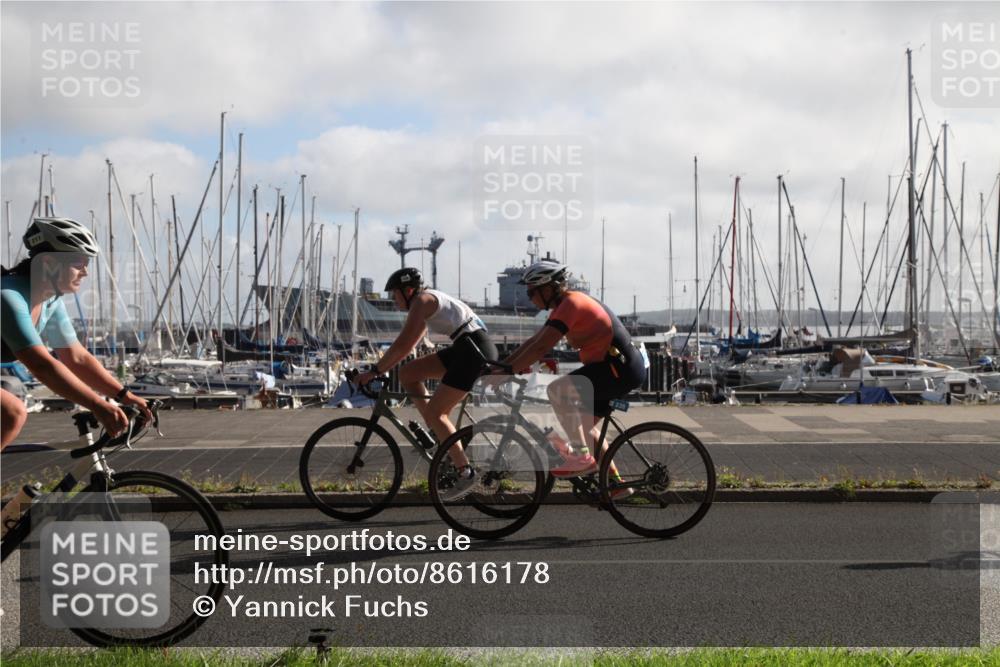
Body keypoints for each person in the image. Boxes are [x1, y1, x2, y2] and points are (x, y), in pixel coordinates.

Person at [1, 217, 152, 451]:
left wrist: (124, 395)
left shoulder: (50, 301)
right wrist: (97, 405)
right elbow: (42, 365)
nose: (85, 272)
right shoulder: (9, 298)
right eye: (79, 262)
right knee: (12, 412)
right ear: (50, 263)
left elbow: (76, 357)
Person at [496, 260, 646, 495]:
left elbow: (540, 348)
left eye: (531, 291)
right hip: (616, 368)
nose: (529, 296)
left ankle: (581, 457)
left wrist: (508, 371)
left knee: (557, 390)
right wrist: (503, 366)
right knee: (586, 428)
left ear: (547, 288)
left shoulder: (571, 304)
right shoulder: (564, 306)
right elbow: (534, 342)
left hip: (618, 368)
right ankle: (616, 484)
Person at [355, 267, 498, 499]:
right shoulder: (426, 300)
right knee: (408, 374)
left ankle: (465, 472)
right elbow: (410, 347)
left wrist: (374, 371)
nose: (393, 299)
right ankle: (435, 433)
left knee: (437, 412)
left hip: (472, 351)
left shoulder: (421, 301)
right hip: (466, 346)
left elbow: (403, 345)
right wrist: (382, 368)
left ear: (408, 290)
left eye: (395, 294)